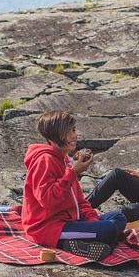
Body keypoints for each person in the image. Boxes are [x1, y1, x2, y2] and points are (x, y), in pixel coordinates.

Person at [21, 110, 126, 261]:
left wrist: (92, 220)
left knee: (119, 218)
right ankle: (68, 245)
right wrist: (72, 173)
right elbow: (47, 200)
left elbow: (80, 201)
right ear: (52, 136)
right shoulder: (44, 160)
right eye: (68, 132)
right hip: (48, 228)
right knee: (109, 229)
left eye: (74, 130)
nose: (74, 135)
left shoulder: (64, 160)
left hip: (69, 221)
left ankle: (90, 239)